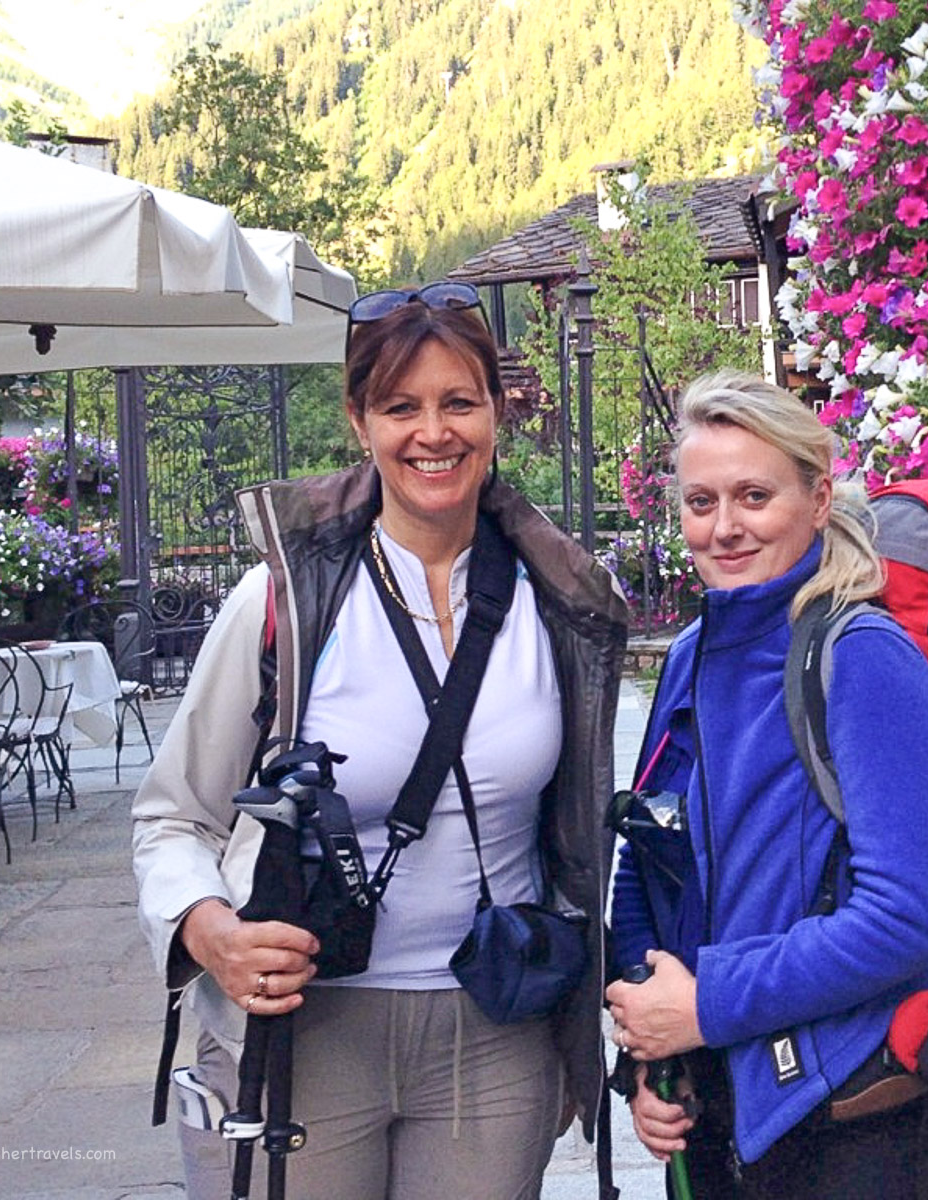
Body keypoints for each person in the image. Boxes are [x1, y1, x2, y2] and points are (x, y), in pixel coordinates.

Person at [132, 282, 628, 1200]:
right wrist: (209, 932)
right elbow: (173, 820)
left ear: (496, 413)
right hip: (302, 1032)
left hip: (496, 1029)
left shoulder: (562, 606)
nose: (432, 433)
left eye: (458, 402)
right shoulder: (281, 604)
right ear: (360, 422)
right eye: (401, 406)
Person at [605, 369, 928, 1199]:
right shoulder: (693, 653)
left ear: (818, 498)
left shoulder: (864, 656)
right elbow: (649, 855)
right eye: (701, 503)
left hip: (851, 1121)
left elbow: (906, 918)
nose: (724, 528)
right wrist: (652, 1047)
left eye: (753, 496)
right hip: (719, 1109)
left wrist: (707, 1005)